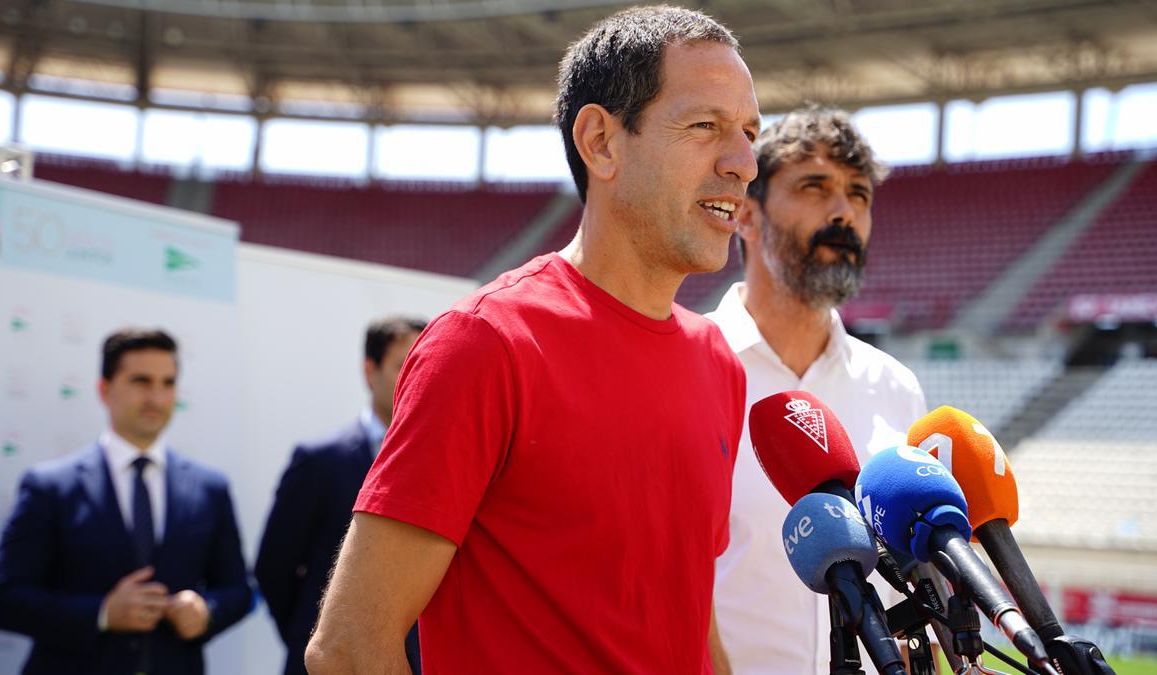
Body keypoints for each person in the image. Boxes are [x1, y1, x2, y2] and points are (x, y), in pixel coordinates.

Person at [305, 6, 758, 674]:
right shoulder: (485, 344)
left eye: (750, 132)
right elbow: (349, 648)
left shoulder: (718, 362)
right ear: (601, 141)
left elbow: (692, 620)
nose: (745, 163)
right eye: (705, 127)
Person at [707, 106, 929, 674]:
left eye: (859, 194)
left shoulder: (897, 388)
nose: (844, 212)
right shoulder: (684, 369)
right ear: (747, 217)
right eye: (815, 186)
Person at [0, 328, 253, 675]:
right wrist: (102, 613)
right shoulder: (49, 486)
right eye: (141, 381)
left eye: (167, 383)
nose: (156, 397)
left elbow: (239, 590)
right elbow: (4, 601)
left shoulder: (209, 487)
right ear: (104, 388)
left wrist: (206, 611)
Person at [256, 316, 427, 675]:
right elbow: (275, 569)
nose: (418, 379)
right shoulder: (319, 461)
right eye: (404, 366)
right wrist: (316, 639)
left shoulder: (444, 459)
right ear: (370, 371)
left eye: (424, 366)